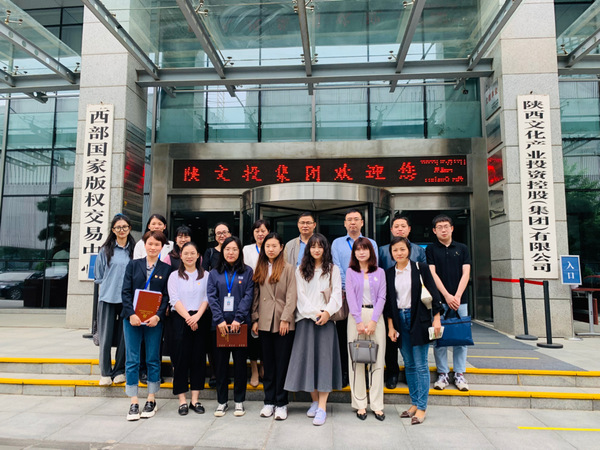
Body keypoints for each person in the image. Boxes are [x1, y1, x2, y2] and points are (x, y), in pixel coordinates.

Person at [284, 233, 343, 426]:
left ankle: (323, 407)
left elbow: (337, 294)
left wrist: (326, 313)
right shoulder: (300, 270)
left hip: (327, 321)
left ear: (325, 249)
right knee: (309, 362)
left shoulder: (333, 270)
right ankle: (315, 401)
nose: (317, 250)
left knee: (324, 363)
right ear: (308, 249)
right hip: (306, 321)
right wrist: (315, 313)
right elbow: (300, 297)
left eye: (320, 246)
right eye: (313, 246)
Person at [385, 236, 443, 425]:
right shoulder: (389, 273)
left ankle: (422, 407)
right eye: (395, 250)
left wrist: (436, 319)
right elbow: (389, 303)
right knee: (409, 364)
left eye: (402, 249)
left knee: (421, 365)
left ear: (408, 250)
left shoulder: (420, 268)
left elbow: (434, 294)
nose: (399, 253)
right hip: (399, 320)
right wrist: (391, 326)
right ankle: (414, 403)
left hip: (419, 319)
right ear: (391, 253)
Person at [121, 230, 171, 421]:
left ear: (162, 247)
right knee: (132, 359)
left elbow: (166, 296)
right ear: (144, 245)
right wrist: (131, 314)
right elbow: (125, 291)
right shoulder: (133, 265)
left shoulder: (166, 269)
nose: (153, 247)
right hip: (132, 319)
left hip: (154, 321)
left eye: (157, 244)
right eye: (150, 243)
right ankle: (133, 401)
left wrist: (158, 316)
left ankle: (151, 399)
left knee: (152, 358)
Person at [207, 236, 254, 417]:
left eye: (234, 249)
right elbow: (211, 296)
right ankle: (222, 401)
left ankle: (239, 401)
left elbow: (248, 296)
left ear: (240, 251)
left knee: (240, 365)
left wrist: (238, 319)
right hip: (219, 327)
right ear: (222, 251)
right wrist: (219, 320)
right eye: (227, 249)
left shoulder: (247, 272)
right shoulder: (214, 273)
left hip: (239, 326)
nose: (231, 252)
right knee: (220, 366)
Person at [251, 232, 297, 420]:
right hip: (264, 321)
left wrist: (286, 318)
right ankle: (268, 401)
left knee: (282, 364)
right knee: (268, 364)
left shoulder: (289, 268)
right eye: (267, 246)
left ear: (281, 247)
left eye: (274, 246)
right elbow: (255, 294)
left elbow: (292, 295)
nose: (270, 249)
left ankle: (281, 403)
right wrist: (255, 318)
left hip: (282, 321)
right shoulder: (260, 267)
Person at [331, 209, 378, 387]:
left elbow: (374, 268)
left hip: (367, 298)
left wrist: (360, 288)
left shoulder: (371, 243)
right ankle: (345, 372)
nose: (352, 222)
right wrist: (349, 288)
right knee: (345, 337)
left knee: (366, 336)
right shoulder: (337, 243)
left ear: (362, 223)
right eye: (349, 220)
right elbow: (337, 268)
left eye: (356, 219)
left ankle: (366, 373)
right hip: (344, 297)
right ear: (345, 223)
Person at [378, 215, 426, 389]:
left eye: (403, 226)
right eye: (396, 226)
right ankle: (392, 372)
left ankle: (409, 371)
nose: (400, 229)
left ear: (409, 229)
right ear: (391, 230)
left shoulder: (419, 250)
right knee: (391, 342)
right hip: (390, 302)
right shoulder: (382, 250)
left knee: (412, 342)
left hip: (414, 305)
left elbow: (425, 279)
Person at [426, 215, 472, 392]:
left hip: (460, 300)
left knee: (461, 337)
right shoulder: (431, 249)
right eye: (439, 227)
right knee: (439, 337)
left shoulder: (462, 248)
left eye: (446, 226)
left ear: (452, 228)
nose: (443, 230)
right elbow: (432, 274)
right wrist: (446, 295)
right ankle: (443, 373)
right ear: (434, 230)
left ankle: (459, 373)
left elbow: (466, 273)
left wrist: (457, 296)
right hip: (439, 299)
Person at [345, 238, 386, 421]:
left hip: (376, 317)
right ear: (354, 253)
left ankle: (377, 405)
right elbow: (350, 297)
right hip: (356, 318)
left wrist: (374, 321)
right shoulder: (350, 272)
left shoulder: (380, 272)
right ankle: (360, 403)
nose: (361, 252)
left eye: (365, 249)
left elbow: (382, 297)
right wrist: (358, 321)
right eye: (358, 249)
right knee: (356, 361)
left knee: (377, 361)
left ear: (371, 251)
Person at [94, 213, 136, 386]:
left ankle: (119, 371)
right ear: (113, 230)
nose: (121, 230)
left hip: (128, 299)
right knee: (105, 336)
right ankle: (105, 372)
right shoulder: (105, 250)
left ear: (129, 228)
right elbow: (99, 275)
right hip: (108, 297)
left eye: (124, 227)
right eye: (118, 227)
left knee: (124, 337)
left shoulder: (135, 250)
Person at [168, 242, 209, 416]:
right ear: (181, 256)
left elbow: (207, 297)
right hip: (180, 319)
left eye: (193, 253)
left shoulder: (206, 275)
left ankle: (195, 399)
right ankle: (182, 400)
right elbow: (174, 298)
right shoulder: (174, 276)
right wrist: (188, 318)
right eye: (186, 253)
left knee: (198, 359)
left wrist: (197, 316)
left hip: (200, 318)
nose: (189, 256)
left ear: (198, 256)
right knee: (180, 359)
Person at [201, 221, 231, 387]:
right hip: (213, 303)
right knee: (213, 342)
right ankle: (215, 373)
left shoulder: (235, 250)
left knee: (231, 340)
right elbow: (204, 275)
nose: (221, 235)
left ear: (230, 234)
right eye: (218, 233)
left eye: (224, 232)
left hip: (232, 303)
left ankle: (226, 373)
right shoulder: (210, 252)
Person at [242, 219, 271, 386]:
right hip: (251, 293)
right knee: (252, 335)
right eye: (257, 231)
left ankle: (264, 365)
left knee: (266, 333)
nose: (260, 234)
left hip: (269, 294)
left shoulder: (272, 247)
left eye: (263, 230)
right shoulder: (246, 249)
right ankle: (254, 368)